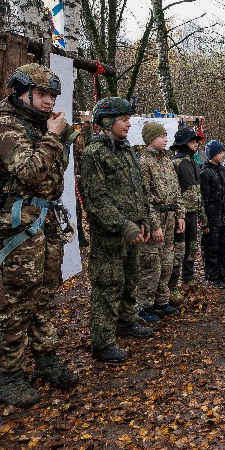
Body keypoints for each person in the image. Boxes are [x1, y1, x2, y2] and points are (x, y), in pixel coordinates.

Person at [0, 63, 79, 408]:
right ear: (20, 92)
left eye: (52, 95)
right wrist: (53, 137)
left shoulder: (37, 126)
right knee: (18, 297)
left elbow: (54, 172)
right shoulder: (6, 127)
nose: (47, 101)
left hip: (46, 216)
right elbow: (27, 171)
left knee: (45, 292)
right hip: (19, 220)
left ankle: (45, 358)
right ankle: (9, 375)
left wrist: (60, 136)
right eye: (41, 94)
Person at [79, 97, 152, 364]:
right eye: (123, 119)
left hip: (132, 231)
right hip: (110, 235)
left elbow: (137, 190)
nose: (128, 124)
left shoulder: (126, 150)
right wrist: (123, 225)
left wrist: (144, 220)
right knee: (108, 285)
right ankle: (102, 341)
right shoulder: (94, 154)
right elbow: (96, 199)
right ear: (106, 123)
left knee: (129, 279)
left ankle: (126, 320)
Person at [137, 122, 185, 322]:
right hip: (154, 218)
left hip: (170, 217)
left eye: (166, 135)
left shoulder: (167, 161)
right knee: (151, 263)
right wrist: (154, 225)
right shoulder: (143, 163)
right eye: (162, 136)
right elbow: (143, 198)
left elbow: (176, 190)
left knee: (167, 261)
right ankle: (145, 305)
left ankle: (161, 300)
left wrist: (180, 214)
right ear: (150, 139)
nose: (166, 139)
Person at [169, 127, 205, 304]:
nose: (196, 144)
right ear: (183, 144)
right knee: (178, 251)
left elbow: (199, 192)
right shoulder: (175, 164)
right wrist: (177, 215)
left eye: (196, 141)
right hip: (180, 216)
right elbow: (172, 192)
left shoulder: (195, 163)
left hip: (193, 213)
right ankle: (172, 286)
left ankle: (188, 278)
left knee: (192, 248)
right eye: (192, 141)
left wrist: (202, 215)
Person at [200, 140, 225, 288]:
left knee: (223, 246)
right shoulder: (205, 173)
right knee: (211, 247)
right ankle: (212, 276)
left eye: (222, 152)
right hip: (211, 218)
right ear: (212, 154)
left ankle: (222, 273)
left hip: (222, 216)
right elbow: (203, 199)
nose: (222, 155)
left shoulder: (223, 170)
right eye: (219, 152)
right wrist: (204, 221)